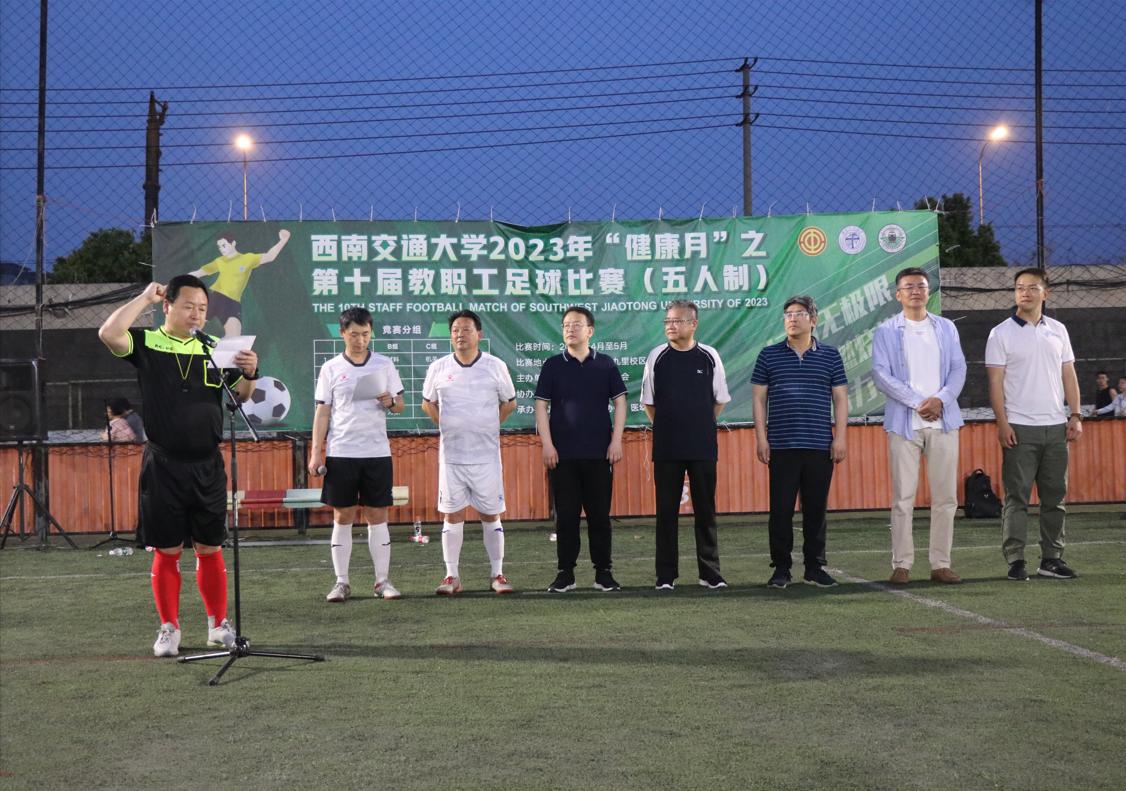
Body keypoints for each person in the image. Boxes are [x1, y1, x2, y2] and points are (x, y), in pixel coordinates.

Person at [97, 275, 259, 657]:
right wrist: (143, 298)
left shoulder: (216, 348)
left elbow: (241, 396)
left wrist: (251, 373)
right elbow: (108, 333)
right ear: (167, 305)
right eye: (188, 306)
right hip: (163, 465)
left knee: (210, 547)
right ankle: (169, 628)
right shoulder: (147, 342)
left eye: (202, 308)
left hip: (207, 465)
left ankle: (218, 625)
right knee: (167, 549)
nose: (196, 314)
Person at [986, 268, 1083, 581]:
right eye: (1019, 288)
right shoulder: (1000, 333)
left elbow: (1069, 374)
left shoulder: (1059, 330)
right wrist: (1002, 423)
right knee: (1016, 498)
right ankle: (1015, 560)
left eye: (1031, 287)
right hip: (1019, 427)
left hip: (1056, 427)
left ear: (1046, 293)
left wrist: (1075, 415)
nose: (1024, 293)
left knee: (1055, 498)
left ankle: (1052, 559)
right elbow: (995, 382)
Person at [871, 268, 966, 585]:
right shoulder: (886, 331)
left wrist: (940, 400)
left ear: (929, 292)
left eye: (921, 286)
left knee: (946, 498)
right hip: (904, 425)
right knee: (903, 498)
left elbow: (958, 368)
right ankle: (902, 564)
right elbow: (881, 374)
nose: (915, 291)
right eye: (908, 286)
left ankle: (941, 563)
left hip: (944, 422)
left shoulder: (947, 327)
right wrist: (917, 402)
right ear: (898, 294)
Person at [308, 306, 406, 602]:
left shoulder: (384, 364)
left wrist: (390, 402)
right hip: (342, 452)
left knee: (378, 515)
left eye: (365, 334)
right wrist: (316, 452)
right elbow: (322, 412)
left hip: (377, 452)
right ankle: (341, 582)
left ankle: (382, 581)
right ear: (342, 334)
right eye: (354, 334)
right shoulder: (331, 368)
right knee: (343, 515)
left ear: (371, 332)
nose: (360, 340)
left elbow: (400, 405)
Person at [751, 295, 848, 589]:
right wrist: (761, 438)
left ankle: (814, 567)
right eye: (788, 314)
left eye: (799, 314)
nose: (792, 319)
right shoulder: (769, 355)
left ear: (813, 320)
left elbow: (840, 398)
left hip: (819, 444)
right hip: (781, 445)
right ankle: (781, 568)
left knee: (816, 509)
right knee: (780, 509)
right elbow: (759, 399)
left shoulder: (830, 355)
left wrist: (840, 437)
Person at [421, 310, 518, 595]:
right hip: (452, 458)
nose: (459, 334)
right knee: (452, 515)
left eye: (466, 329)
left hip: (486, 457)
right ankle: (451, 577)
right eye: (455, 330)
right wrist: (448, 425)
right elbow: (428, 403)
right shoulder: (438, 367)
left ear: (479, 334)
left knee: (491, 515)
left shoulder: (495, 366)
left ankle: (497, 574)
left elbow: (509, 403)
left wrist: (487, 425)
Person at [534, 306, 628, 593]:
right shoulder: (553, 365)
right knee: (566, 517)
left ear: (590, 331)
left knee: (600, 517)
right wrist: (547, 444)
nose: (570, 329)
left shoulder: (605, 364)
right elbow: (541, 405)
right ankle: (566, 574)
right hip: (562, 456)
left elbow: (620, 402)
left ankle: (604, 573)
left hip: (599, 454)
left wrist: (616, 440)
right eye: (566, 325)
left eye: (576, 325)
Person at [640, 300, 731, 591]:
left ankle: (710, 573)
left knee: (706, 510)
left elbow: (719, 400)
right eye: (667, 321)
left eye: (677, 321)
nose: (670, 326)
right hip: (667, 447)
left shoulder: (709, 356)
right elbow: (648, 403)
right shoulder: (657, 356)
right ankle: (665, 575)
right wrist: (668, 427)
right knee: (666, 512)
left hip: (702, 446)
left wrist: (700, 425)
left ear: (693, 324)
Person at [188, 228, 291, 337]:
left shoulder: (248, 259)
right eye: (219, 247)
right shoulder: (220, 261)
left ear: (233, 243)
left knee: (234, 337)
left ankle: (219, 345)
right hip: (216, 298)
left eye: (224, 245)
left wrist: (283, 240)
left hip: (233, 303)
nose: (221, 249)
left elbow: (270, 256)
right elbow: (199, 272)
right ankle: (194, 335)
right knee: (194, 328)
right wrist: (179, 280)